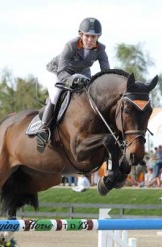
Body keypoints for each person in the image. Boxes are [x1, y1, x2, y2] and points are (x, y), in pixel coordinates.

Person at [36, 17, 110, 151]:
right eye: (87, 36)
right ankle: (44, 128)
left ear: (98, 37)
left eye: (93, 37)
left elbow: (106, 73)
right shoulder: (70, 45)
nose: (89, 40)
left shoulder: (101, 49)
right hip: (57, 72)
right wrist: (73, 81)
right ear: (81, 35)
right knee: (56, 94)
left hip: (82, 73)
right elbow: (61, 72)